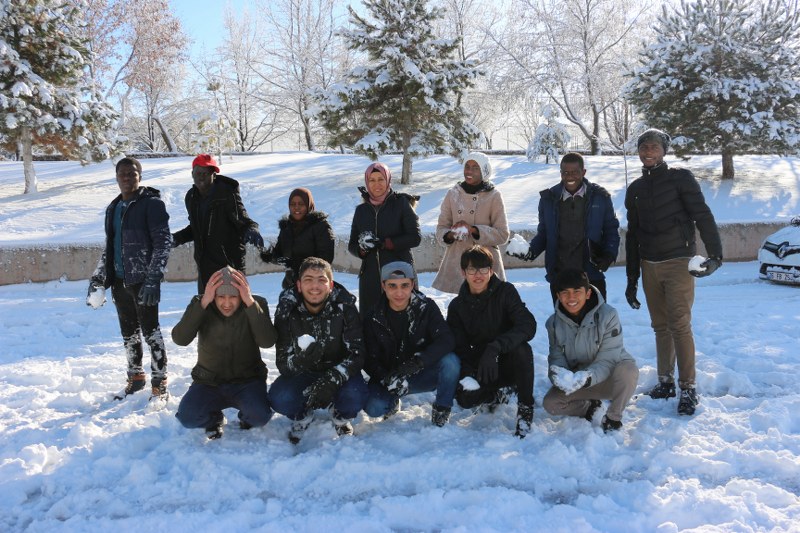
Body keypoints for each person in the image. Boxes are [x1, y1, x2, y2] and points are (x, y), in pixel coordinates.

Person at [624, 128, 723, 416]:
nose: (648, 151)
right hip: (649, 265)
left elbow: (703, 215)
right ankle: (665, 381)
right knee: (660, 326)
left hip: (678, 262)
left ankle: (688, 388)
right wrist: (632, 279)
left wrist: (716, 255)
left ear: (664, 150)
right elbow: (632, 236)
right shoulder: (636, 189)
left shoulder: (680, 178)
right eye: (643, 147)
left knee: (679, 325)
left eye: (654, 146)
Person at [86, 157, 171, 400]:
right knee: (129, 333)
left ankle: (159, 380)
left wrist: (154, 278)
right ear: (116, 177)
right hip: (120, 282)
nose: (126, 178)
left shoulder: (152, 204)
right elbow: (111, 247)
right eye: (122, 174)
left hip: (143, 281)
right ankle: (135, 377)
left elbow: (163, 243)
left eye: (131, 173)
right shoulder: (114, 208)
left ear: (139, 177)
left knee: (151, 332)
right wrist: (99, 278)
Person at [268, 257, 368, 443]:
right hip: (303, 372)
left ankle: (340, 415)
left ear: (330, 284)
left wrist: (331, 380)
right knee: (280, 397)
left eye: (321, 280)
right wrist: (302, 360)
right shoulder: (287, 308)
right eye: (308, 280)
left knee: (355, 396)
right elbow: (283, 361)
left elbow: (357, 353)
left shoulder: (344, 305)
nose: (315, 286)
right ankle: (303, 414)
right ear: (298, 285)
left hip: (339, 370)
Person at [173, 267, 277, 439]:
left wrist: (250, 304)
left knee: (260, 416)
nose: (227, 303)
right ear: (213, 295)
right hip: (209, 382)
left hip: (247, 381)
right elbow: (180, 339)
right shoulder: (202, 305)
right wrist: (202, 303)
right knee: (188, 418)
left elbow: (267, 341)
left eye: (233, 296)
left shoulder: (255, 304)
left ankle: (246, 418)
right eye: (221, 296)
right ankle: (213, 419)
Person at [446, 245, 537, 437]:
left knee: (523, 350)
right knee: (464, 398)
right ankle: (495, 395)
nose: (478, 275)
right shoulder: (456, 306)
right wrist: (469, 371)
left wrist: (495, 347)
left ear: (491, 270)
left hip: (507, 360)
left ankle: (525, 410)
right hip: (482, 367)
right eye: (472, 269)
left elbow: (528, 325)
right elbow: (458, 345)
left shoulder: (506, 292)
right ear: (463, 272)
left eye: (483, 269)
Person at [508, 152, 619, 302]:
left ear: (583, 172)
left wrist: (609, 254)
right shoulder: (548, 199)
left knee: (597, 321)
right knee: (563, 323)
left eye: (575, 172)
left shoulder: (600, 197)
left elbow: (611, 230)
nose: (570, 176)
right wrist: (530, 251)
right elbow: (544, 234)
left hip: (591, 273)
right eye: (565, 172)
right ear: (560, 173)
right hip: (560, 274)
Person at [362, 261, 460, 427]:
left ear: (412, 285)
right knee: (374, 407)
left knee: (450, 362)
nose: (399, 292)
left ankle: (442, 408)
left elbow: (446, 340)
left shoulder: (426, 307)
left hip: (421, 372)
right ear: (383, 286)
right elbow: (368, 357)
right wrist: (385, 377)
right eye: (392, 286)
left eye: (405, 285)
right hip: (390, 377)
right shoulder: (373, 315)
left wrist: (418, 362)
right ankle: (392, 401)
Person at [542, 269, 639, 433]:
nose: (571, 298)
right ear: (558, 296)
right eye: (565, 292)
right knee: (551, 404)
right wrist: (560, 377)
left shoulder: (608, 315)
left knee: (628, 370)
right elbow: (556, 357)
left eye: (577, 292)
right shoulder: (553, 323)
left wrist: (586, 378)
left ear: (587, 293)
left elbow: (608, 358)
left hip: (610, 379)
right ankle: (589, 408)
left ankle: (613, 417)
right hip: (578, 381)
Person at [172, 154, 264, 294]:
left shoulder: (227, 194)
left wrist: (252, 229)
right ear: (192, 174)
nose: (201, 177)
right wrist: (175, 238)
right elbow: (196, 228)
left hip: (228, 265)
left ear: (213, 174)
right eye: (198, 173)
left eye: (205, 173)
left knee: (231, 308)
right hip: (204, 265)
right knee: (206, 309)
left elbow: (243, 220)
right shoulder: (191, 197)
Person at [348, 162, 421, 319]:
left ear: (388, 180)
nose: (377, 184)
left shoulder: (401, 204)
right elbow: (351, 245)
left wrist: (387, 243)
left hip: (399, 273)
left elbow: (415, 237)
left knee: (403, 319)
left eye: (380, 179)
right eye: (372, 180)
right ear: (367, 182)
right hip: (370, 277)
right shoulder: (361, 210)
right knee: (371, 321)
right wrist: (362, 248)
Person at [433, 152, 510, 294]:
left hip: (486, 265)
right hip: (458, 265)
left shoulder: (494, 196)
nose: (469, 171)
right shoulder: (452, 194)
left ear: (484, 171)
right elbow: (441, 230)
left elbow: (503, 234)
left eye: (475, 167)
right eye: (467, 166)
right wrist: (451, 234)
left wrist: (474, 230)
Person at [260, 187, 335, 290]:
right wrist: (269, 255)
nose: (296, 208)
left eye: (301, 204)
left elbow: (325, 260)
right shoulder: (286, 227)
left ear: (309, 205)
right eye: (293, 204)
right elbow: (280, 253)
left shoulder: (321, 226)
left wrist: (295, 264)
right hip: (290, 284)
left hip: (314, 286)